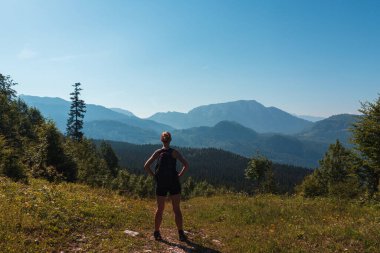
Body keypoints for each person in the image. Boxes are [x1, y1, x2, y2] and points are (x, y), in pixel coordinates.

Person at [144, 131, 189, 242]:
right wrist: (179, 175)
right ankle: (181, 233)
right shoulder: (175, 152)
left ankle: (156, 232)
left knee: (160, 209)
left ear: (161, 140)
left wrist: (155, 176)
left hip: (161, 183)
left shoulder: (158, 152)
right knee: (177, 209)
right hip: (173, 182)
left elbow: (146, 166)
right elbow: (186, 165)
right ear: (170, 140)